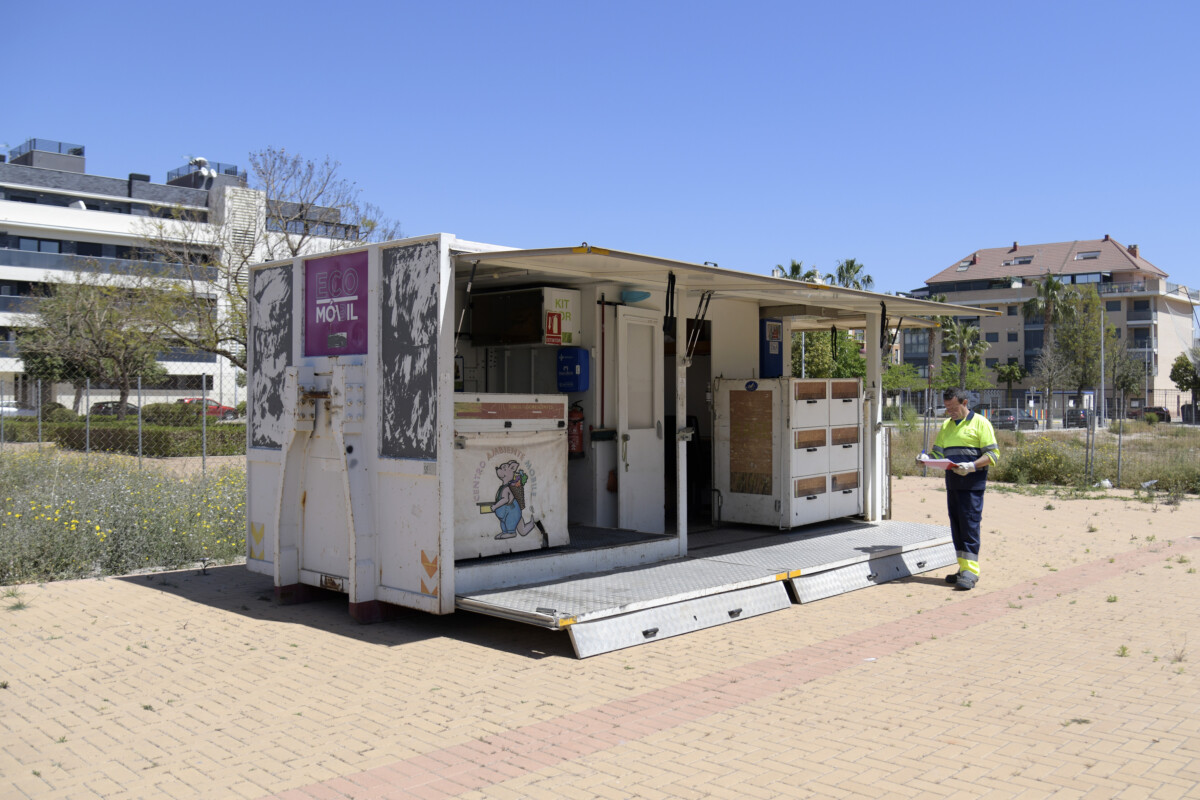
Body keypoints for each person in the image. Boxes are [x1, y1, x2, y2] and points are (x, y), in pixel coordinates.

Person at [917, 388, 1000, 590]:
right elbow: (938, 454)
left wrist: (971, 466)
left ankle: (971, 572)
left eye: (953, 407)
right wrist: (926, 460)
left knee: (970, 527)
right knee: (957, 528)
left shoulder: (981, 423)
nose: (950, 412)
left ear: (964, 403)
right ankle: (963, 569)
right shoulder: (946, 426)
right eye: (947, 408)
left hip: (972, 486)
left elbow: (993, 455)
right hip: (953, 485)